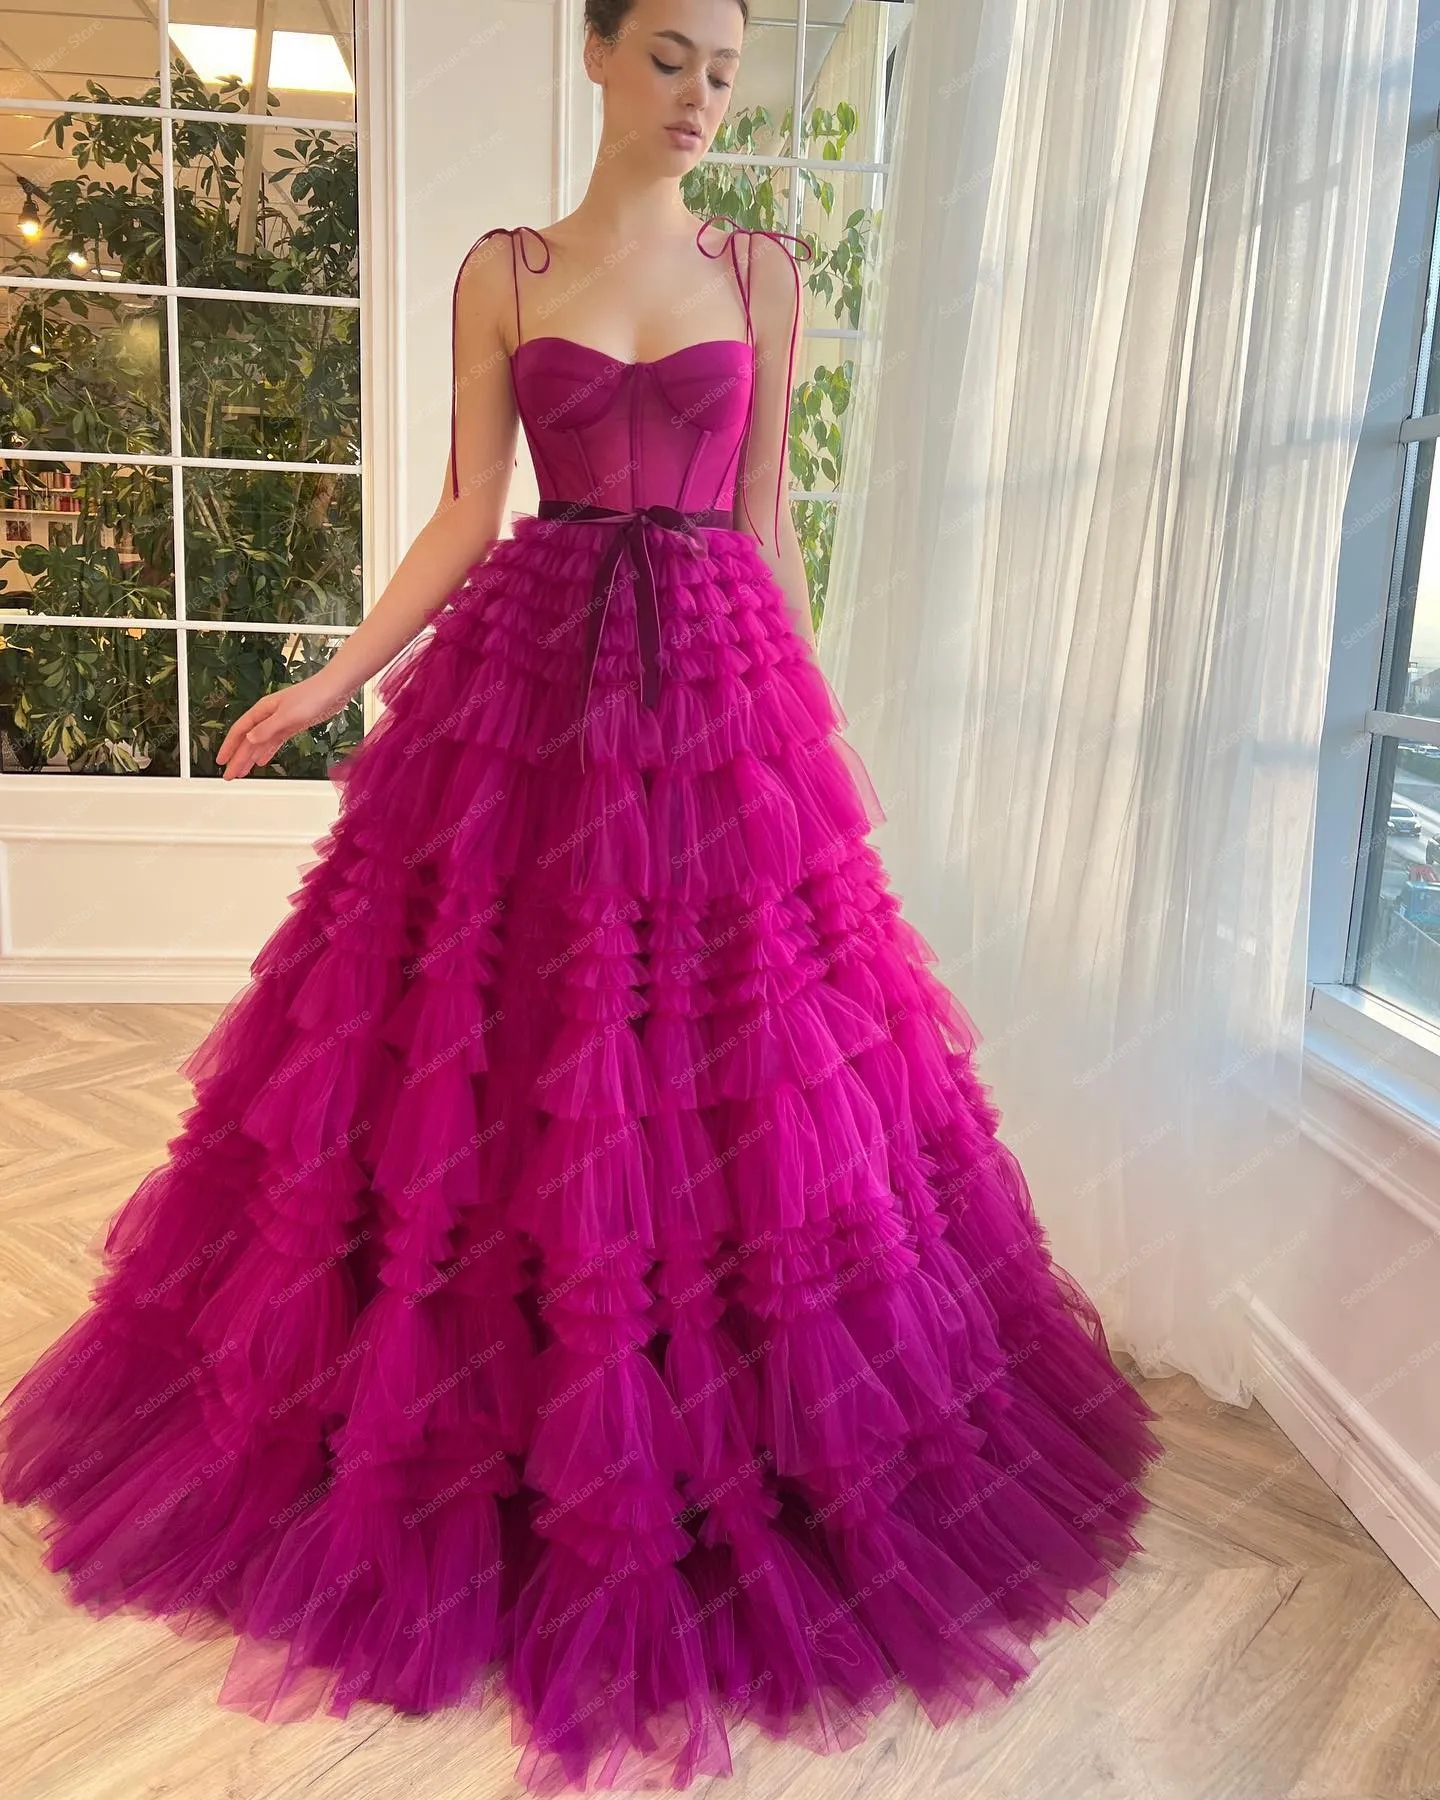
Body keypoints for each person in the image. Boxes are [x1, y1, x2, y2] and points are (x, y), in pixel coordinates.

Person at [0, 0, 1165, 1790]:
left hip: (713, 699)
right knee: (501, 1043)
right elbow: (469, 510)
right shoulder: (506, 270)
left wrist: (806, 746)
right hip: (531, 689)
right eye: (674, 55)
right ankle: (487, 1412)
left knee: (732, 1070)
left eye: (728, 67)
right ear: (600, 55)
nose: (705, 94)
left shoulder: (762, 273)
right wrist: (334, 679)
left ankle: (725, 1435)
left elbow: (767, 517)